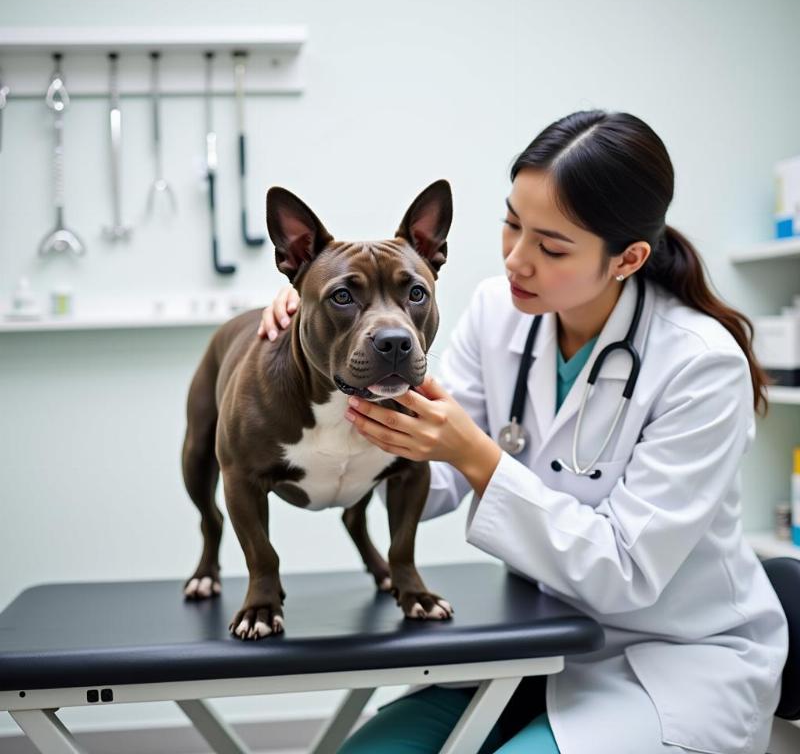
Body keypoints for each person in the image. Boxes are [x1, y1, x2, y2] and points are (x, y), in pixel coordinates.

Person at [256, 110, 788, 754]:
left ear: (629, 257)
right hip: (537, 647)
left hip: (672, 664)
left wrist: (477, 455)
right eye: (512, 223)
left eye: (551, 246)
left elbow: (625, 571)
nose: (516, 259)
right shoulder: (496, 312)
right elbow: (437, 478)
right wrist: (315, 328)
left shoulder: (702, 364)